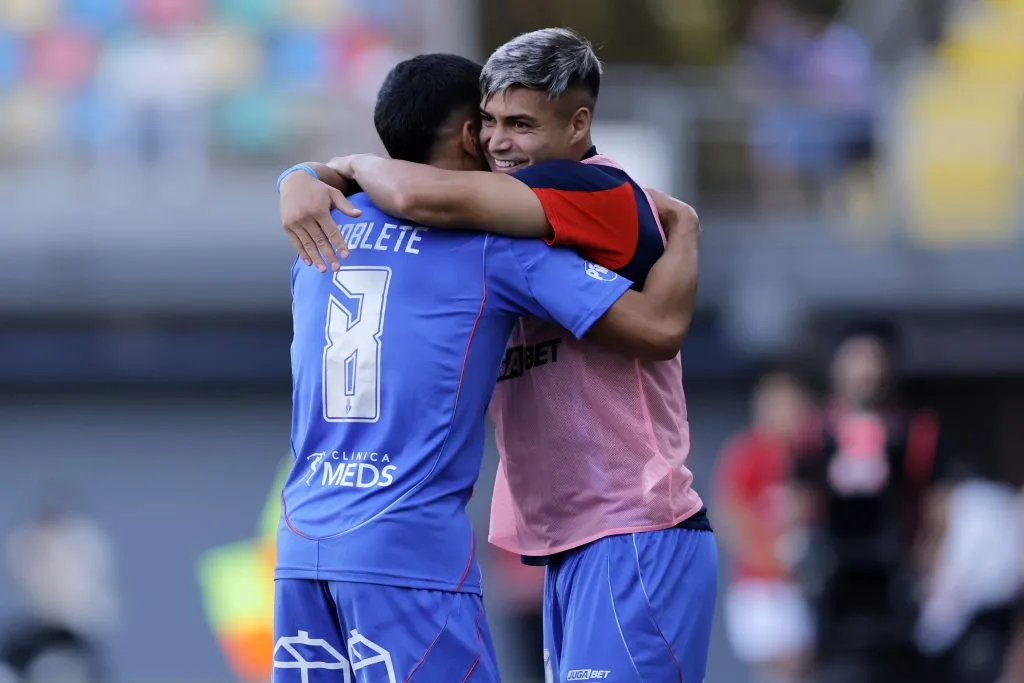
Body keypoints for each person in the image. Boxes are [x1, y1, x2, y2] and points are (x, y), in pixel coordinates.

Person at [278, 28, 716, 683]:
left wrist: (315, 171)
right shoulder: (493, 244)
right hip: (486, 545)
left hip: (631, 526)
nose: (499, 141)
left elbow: (658, 328)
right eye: (488, 123)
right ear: (466, 135)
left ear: (578, 124)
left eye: (518, 123)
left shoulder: (325, 235)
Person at [791, 325, 949, 683]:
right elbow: (796, 494)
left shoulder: (916, 429)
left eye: (871, 361)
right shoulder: (815, 430)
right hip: (831, 570)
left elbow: (938, 499)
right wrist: (797, 551)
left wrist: (930, 559)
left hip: (895, 571)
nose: (864, 371)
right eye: (854, 360)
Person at [716, 371, 813, 683]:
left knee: (802, 665)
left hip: (804, 580)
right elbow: (729, 511)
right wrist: (765, 556)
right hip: (760, 583)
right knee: (777, 666)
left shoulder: (808, 454)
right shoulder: (748, 452)